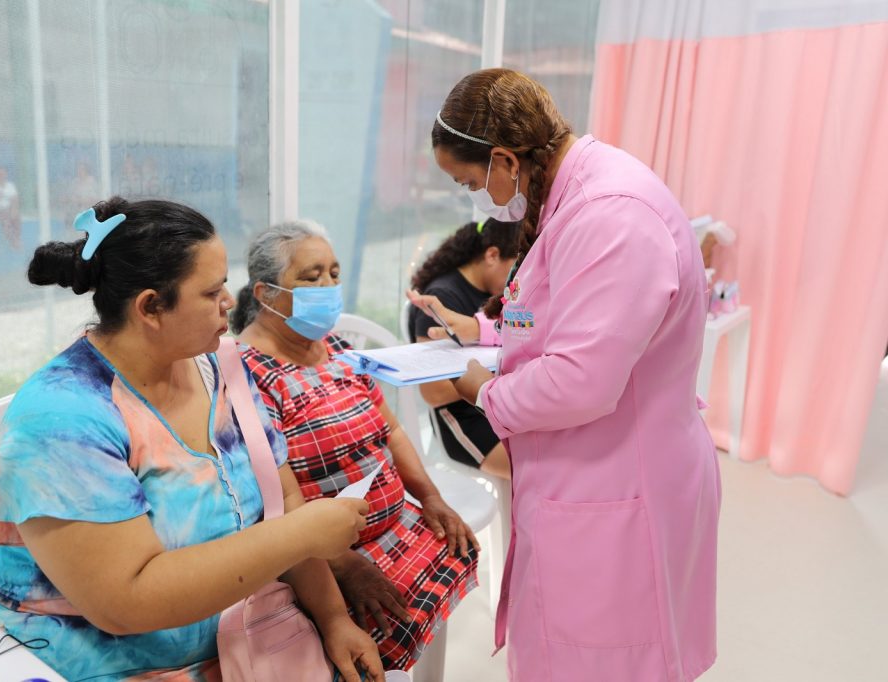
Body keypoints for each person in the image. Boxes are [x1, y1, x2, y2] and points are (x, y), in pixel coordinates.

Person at [0, 198, 384, 682]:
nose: (229, 301)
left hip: (245, 642)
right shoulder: (63, 421)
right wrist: (301, 534)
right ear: (150, 307)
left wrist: (333, 618)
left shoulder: (221, 367)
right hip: (102, 667)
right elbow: (127, 602)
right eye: (211, 291)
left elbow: (282, 498)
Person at [408, 68, 720, 681]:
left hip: (620, 486)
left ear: (505, 160)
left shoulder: (610, 214)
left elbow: (582, 378)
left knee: (604, 662)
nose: (474, 199)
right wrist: (483, 332)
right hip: (588, 473)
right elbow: (566, 315)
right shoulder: (574, 194)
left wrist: (485, 391)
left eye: (470, 182)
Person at [231, 220, 480, 672]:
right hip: (322, 558)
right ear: (266, 295)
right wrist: (343, 565)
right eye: (311, 278)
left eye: (333, 273)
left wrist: (430, 496)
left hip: (396, 527)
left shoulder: (335, 347)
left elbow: (392, 431)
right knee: (370, 638)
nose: (328, 287)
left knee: (459, 550)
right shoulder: (247, 376)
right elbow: (278, 501)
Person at [408, 218, 519, 479]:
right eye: (515, 269)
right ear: (492, 255)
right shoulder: (444, 296)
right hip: (465, 421)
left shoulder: (493, 291)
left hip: (496, 406)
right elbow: (434, 391)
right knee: (540, 468)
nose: (517, 281)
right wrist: (501, 378)